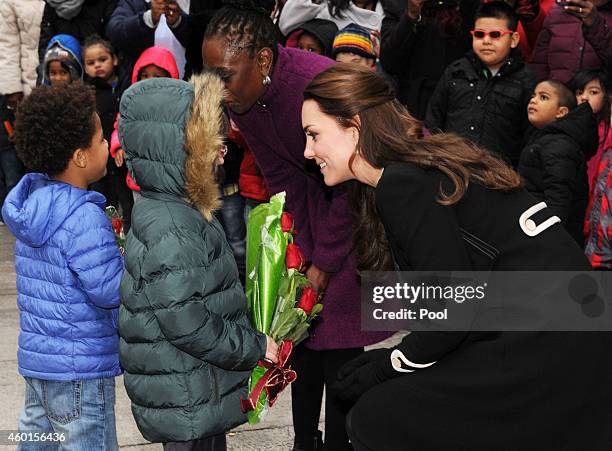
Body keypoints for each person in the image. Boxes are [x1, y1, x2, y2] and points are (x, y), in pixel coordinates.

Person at [301, 62, 612, 450]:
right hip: (572, 330)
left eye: (314, 135)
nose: (308, 151)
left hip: (550, 344)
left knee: (375, 415)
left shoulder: (400, 183)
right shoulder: (415, 168)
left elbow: (451, 313)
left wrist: (392, 363)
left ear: (355, 127)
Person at [202, 2, 391, 449]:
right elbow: (284, 177)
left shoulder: (314, 86)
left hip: (362, 204)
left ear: (262, 60)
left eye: (224, 74)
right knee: (302, 335)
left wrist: (323, 262)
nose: (216, 87)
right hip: (317, 205)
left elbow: (352, 185)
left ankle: (344, 441)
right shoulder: (245, 100)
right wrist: (300, 256)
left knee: (342, 344)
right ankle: (304, 439)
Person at [118, 74, 278, 450]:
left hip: (192, 389)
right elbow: (186, 322)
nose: (223, 151)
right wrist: (254, 346)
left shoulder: (175, 211)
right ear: (177, 150)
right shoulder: (174, 227)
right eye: (210, 141)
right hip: (186, 398)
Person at [2, 82, 123, 450]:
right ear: (80, 156)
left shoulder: (32, 207)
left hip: (40, 368)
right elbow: (109, 290)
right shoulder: (82, 215)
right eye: (101, 139)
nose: (106, 146)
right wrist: (126, 258)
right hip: (80, 373)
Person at [425, 1, 535, 168]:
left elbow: (530, 139)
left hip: (501, 181)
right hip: (451, 171)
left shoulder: (526, 83)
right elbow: (432, 122)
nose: (486, 41)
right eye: (479, 34)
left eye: (495, 35)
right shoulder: (455, 72)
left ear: (513, 39)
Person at [518, 80, 599, 245]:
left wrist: (543, 240)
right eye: (533, 96)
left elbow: (557, 201)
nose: (533, 100)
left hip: (548, 239)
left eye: (543, 97)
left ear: (561, 112)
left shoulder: (559, 145)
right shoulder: (544, 139)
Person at [109, 45, 180, 194]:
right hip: (139, 181)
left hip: (168, 182)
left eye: (157, 76)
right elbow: (120, 127)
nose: (149, 81)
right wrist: (119, 146)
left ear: (170, 78)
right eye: (145, 75)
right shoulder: (132, 105)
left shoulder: (177, 106)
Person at [82, 34, 134, 230]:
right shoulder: (87, 92)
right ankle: (105, 240)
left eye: (102, 59)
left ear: (114, 59)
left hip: (122, 158)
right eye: (91, 62)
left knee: (128, 204)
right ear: (85, 67)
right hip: (98, 160)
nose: (97, 65)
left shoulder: (126, 86)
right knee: (103, 204)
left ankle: (128, 244)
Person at [529, 0, 612, 83]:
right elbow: (539, 65)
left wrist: (596, 24)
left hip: (596, 93)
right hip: (559, 93)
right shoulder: (558, 10)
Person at [106, 0, 191, 64]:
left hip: (188, 79)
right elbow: (114, 31)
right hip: (143, 82)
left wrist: (179, 22)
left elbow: (199, 36)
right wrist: (148, 19)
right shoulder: (134, 2)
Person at [569, 68, 612, 190]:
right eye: (579, 92)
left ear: (606, 96)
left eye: (593, 92)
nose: (584, 97)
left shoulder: (607, 131)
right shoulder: (569, 127)